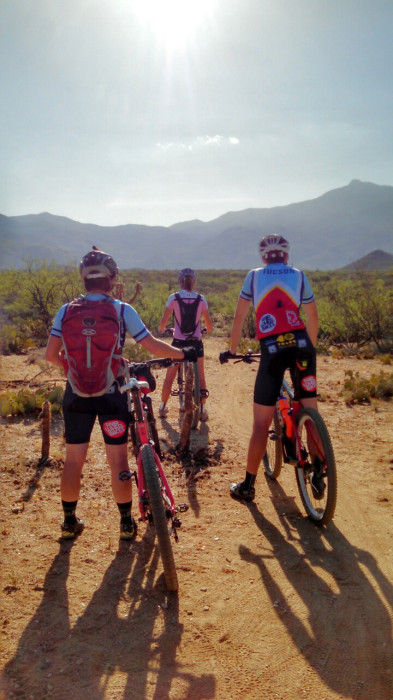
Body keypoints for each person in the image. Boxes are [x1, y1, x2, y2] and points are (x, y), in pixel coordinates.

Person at [45, 247, 197, 540]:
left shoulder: (66, 311)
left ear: (84, 280)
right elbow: (151, 345)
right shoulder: (121, 310)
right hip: (112, 392)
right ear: (112, 279)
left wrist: (72, 368)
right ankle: (126, 524)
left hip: (76, 393)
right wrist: (182, 354)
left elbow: (51, 353)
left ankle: (68, 521)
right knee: (118, 461)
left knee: (74, 459)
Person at [220, 234, 319, 502]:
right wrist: (310, 347)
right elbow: (312, 316)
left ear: (263, 257)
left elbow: (240, 316)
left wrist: (232, 349)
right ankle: (320, 471)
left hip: (272, 349)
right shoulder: (299, 275)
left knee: (261, 424)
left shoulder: (254, 276)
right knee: (310, 411)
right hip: (302, 347)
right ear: (287, 255)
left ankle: (248, 486)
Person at [158, 268, 212, 420]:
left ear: (180, 282)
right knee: (201, 376)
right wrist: (207, 330)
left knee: (170, 375)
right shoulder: (201, 299)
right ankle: (202, 410)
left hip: (178, 343)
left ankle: (162, 407)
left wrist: (163, 329)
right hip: (196, 343)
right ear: (193, 282)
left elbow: (164, 321)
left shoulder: (173, 298)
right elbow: (208, 325)